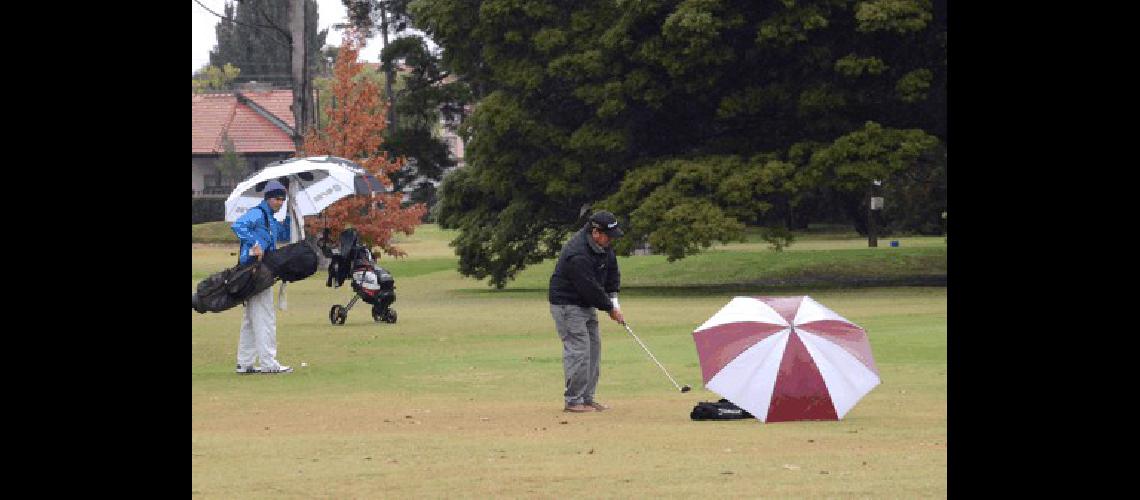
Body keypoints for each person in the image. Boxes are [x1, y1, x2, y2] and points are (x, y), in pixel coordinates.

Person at [548, 210, 626, 412]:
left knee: (593, 349)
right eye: (608, 236)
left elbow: (611, 273)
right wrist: (609, 308)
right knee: (579, 350)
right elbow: (588, 287)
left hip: (586, 303)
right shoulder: (578, 253)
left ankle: (587, 397)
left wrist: (614, 300)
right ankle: (573, 400)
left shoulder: (603, 247)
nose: (611, 241)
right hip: (567, 304)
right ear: (595, 232)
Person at [230, 180, 293, 374]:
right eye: (276, 198)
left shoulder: (271, 219)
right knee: (265, 316)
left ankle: (245, 362)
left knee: (251, 318)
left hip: (256, 270)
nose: (280, 202)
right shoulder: (258, 213)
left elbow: (284, 233)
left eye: (283, 199)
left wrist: (292, 214)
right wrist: (254, 242)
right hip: (255, 270)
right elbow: (238, 226)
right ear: (268, 198)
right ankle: (268, 363)